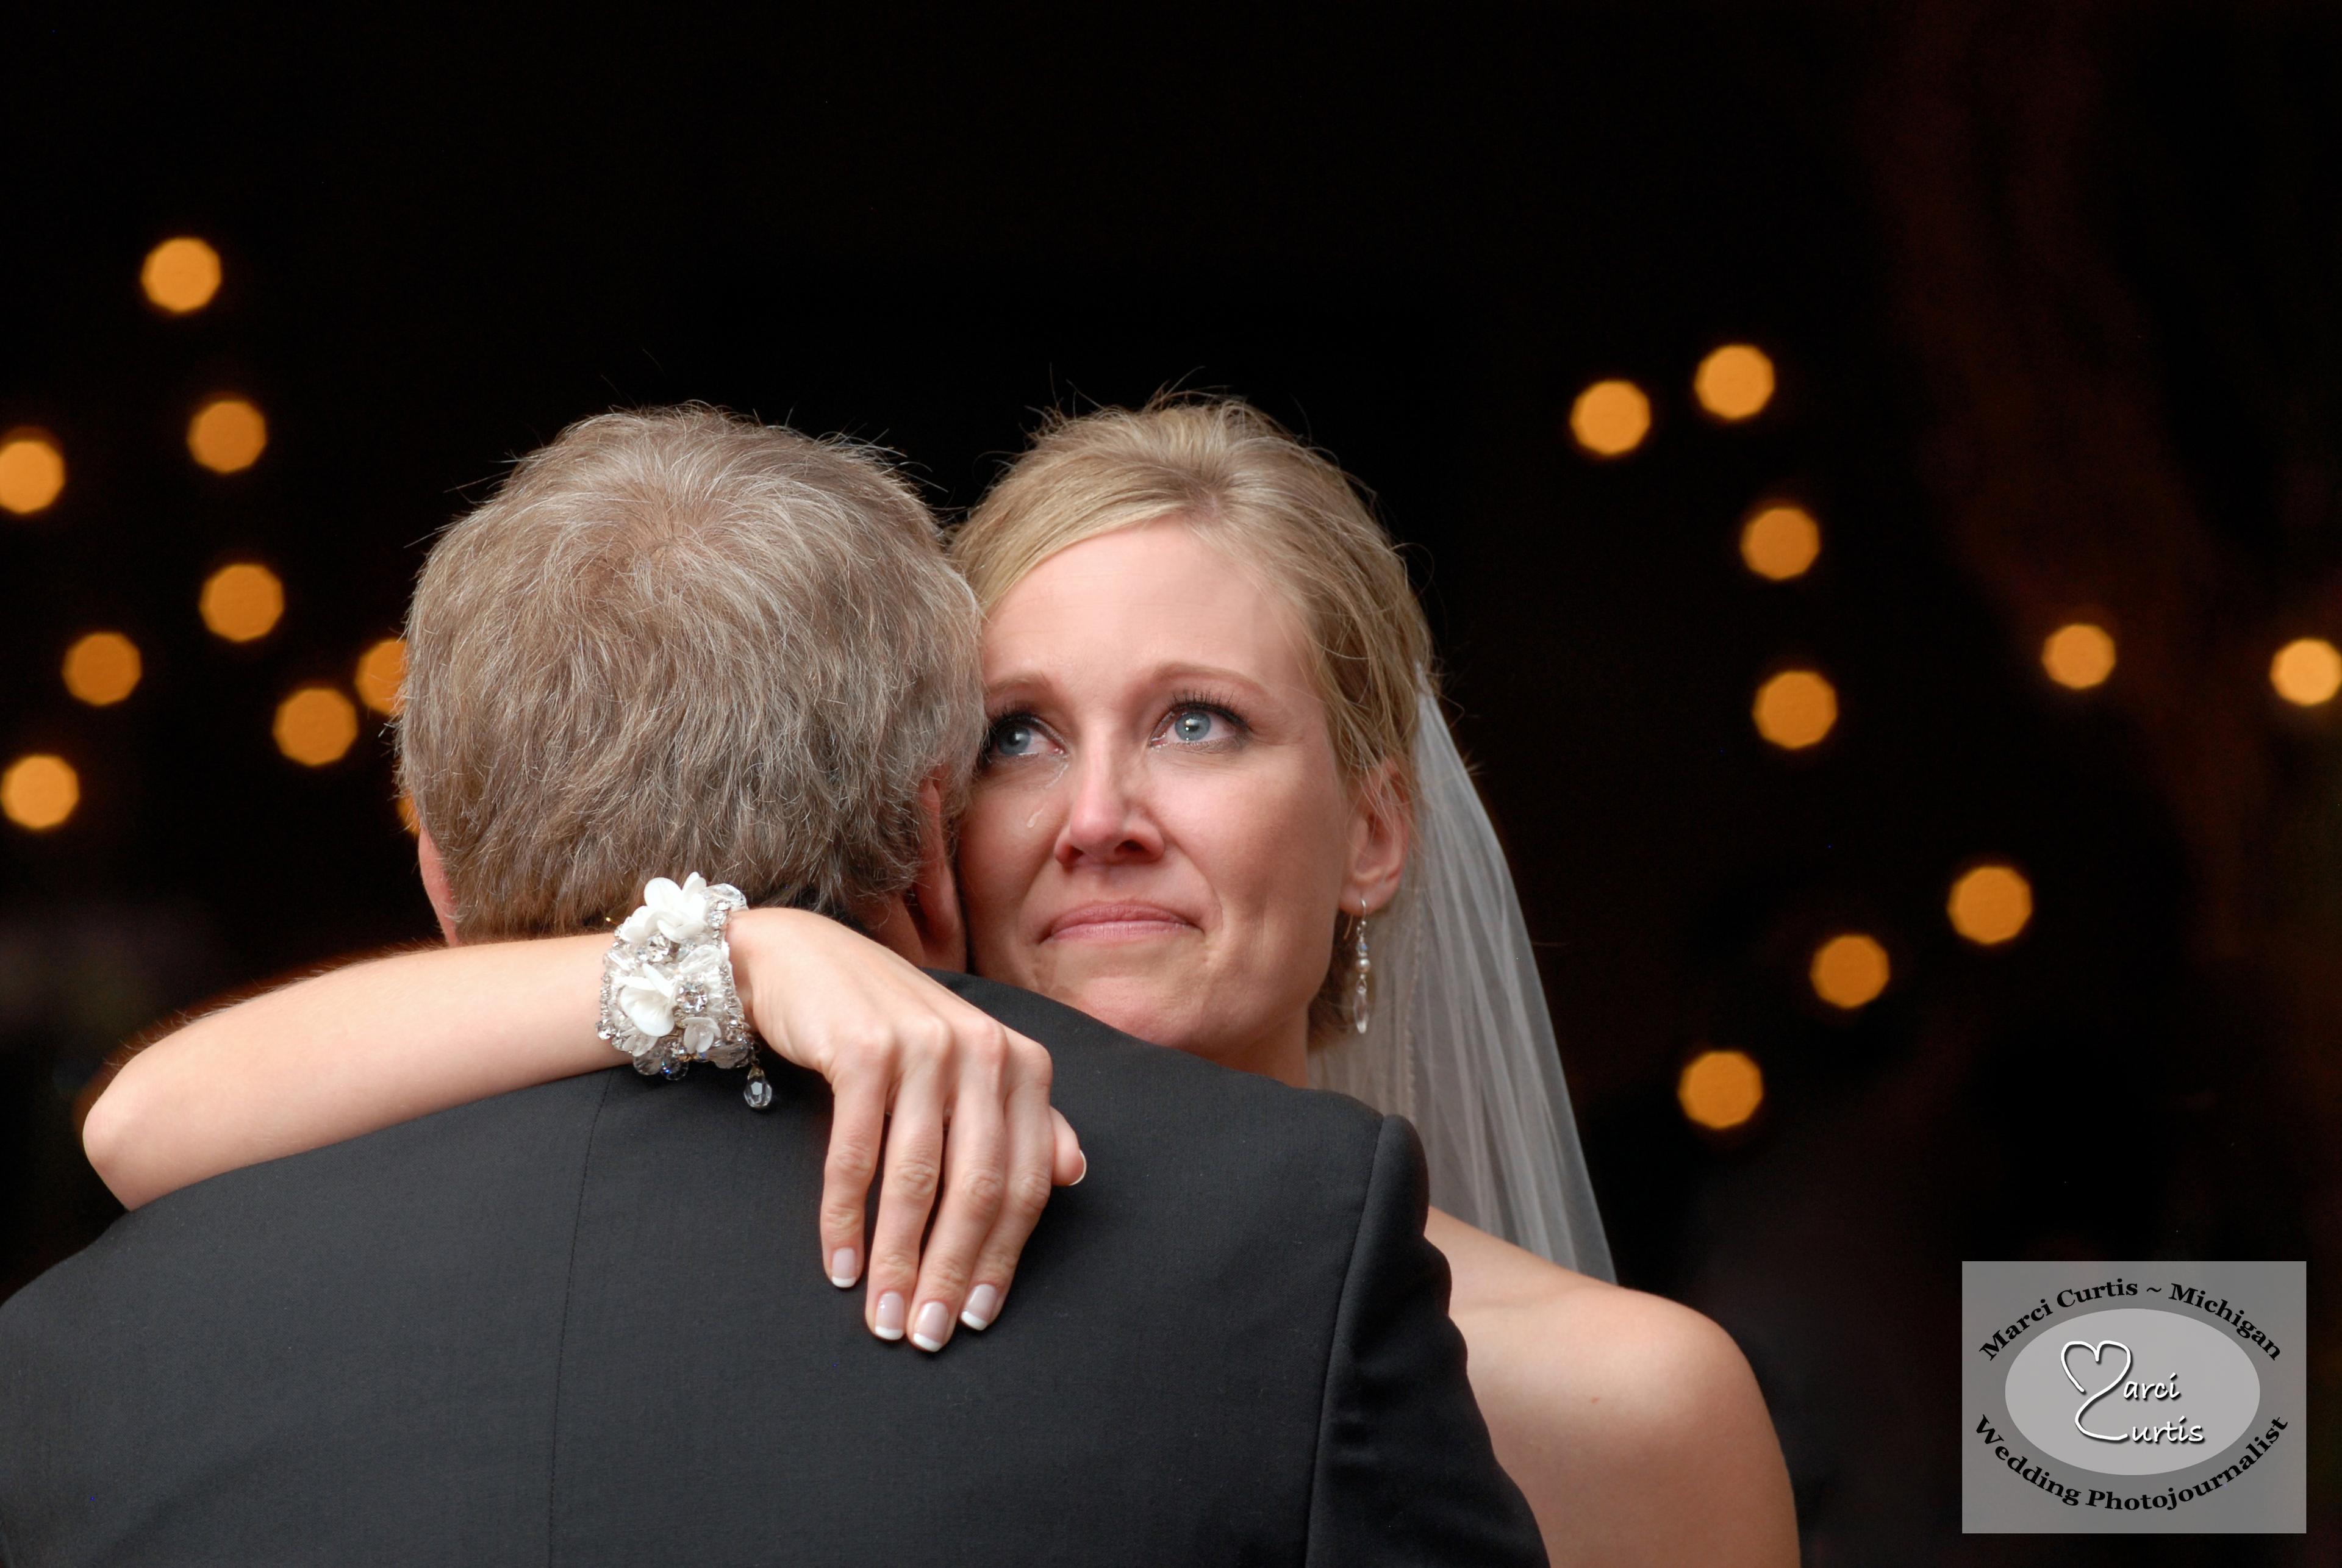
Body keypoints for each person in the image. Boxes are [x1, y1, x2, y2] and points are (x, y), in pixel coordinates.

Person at [82, 399, 1800, 1566]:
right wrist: (732, 952)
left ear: (1371, 831)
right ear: (923, 811)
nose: (1103, 818)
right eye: (1020, 736)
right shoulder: (797, 1240)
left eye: (1198, 721)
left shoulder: (1633, 1395)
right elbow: (149, 1119)